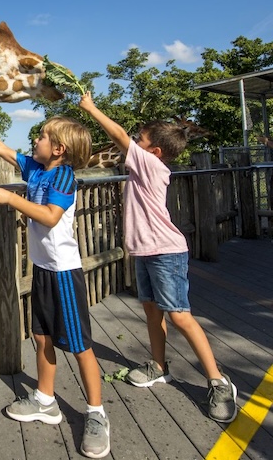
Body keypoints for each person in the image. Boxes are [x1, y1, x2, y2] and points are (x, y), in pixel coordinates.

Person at [0, 116, 110, 458]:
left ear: (58, 149)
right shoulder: (35, 168)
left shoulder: (63, 175)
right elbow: (1, 148)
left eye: (41, 136)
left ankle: (96, 412)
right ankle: (46, 400)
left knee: (80, 345)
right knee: (42, 336)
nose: (34, 140)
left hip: (64, 272)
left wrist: (9, 199)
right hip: (43, 268)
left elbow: (51, 216)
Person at [78, 91, 238, 423]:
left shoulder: (150, 165)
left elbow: (119, 136)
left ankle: (218, 381)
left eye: (141, 139)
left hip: (165, 252)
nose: (134, 142)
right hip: (146, 252)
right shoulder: (144, 167)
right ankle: (159, 366)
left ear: (155, 151)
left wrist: (91, 109)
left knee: (179, 316)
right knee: (151, 311)